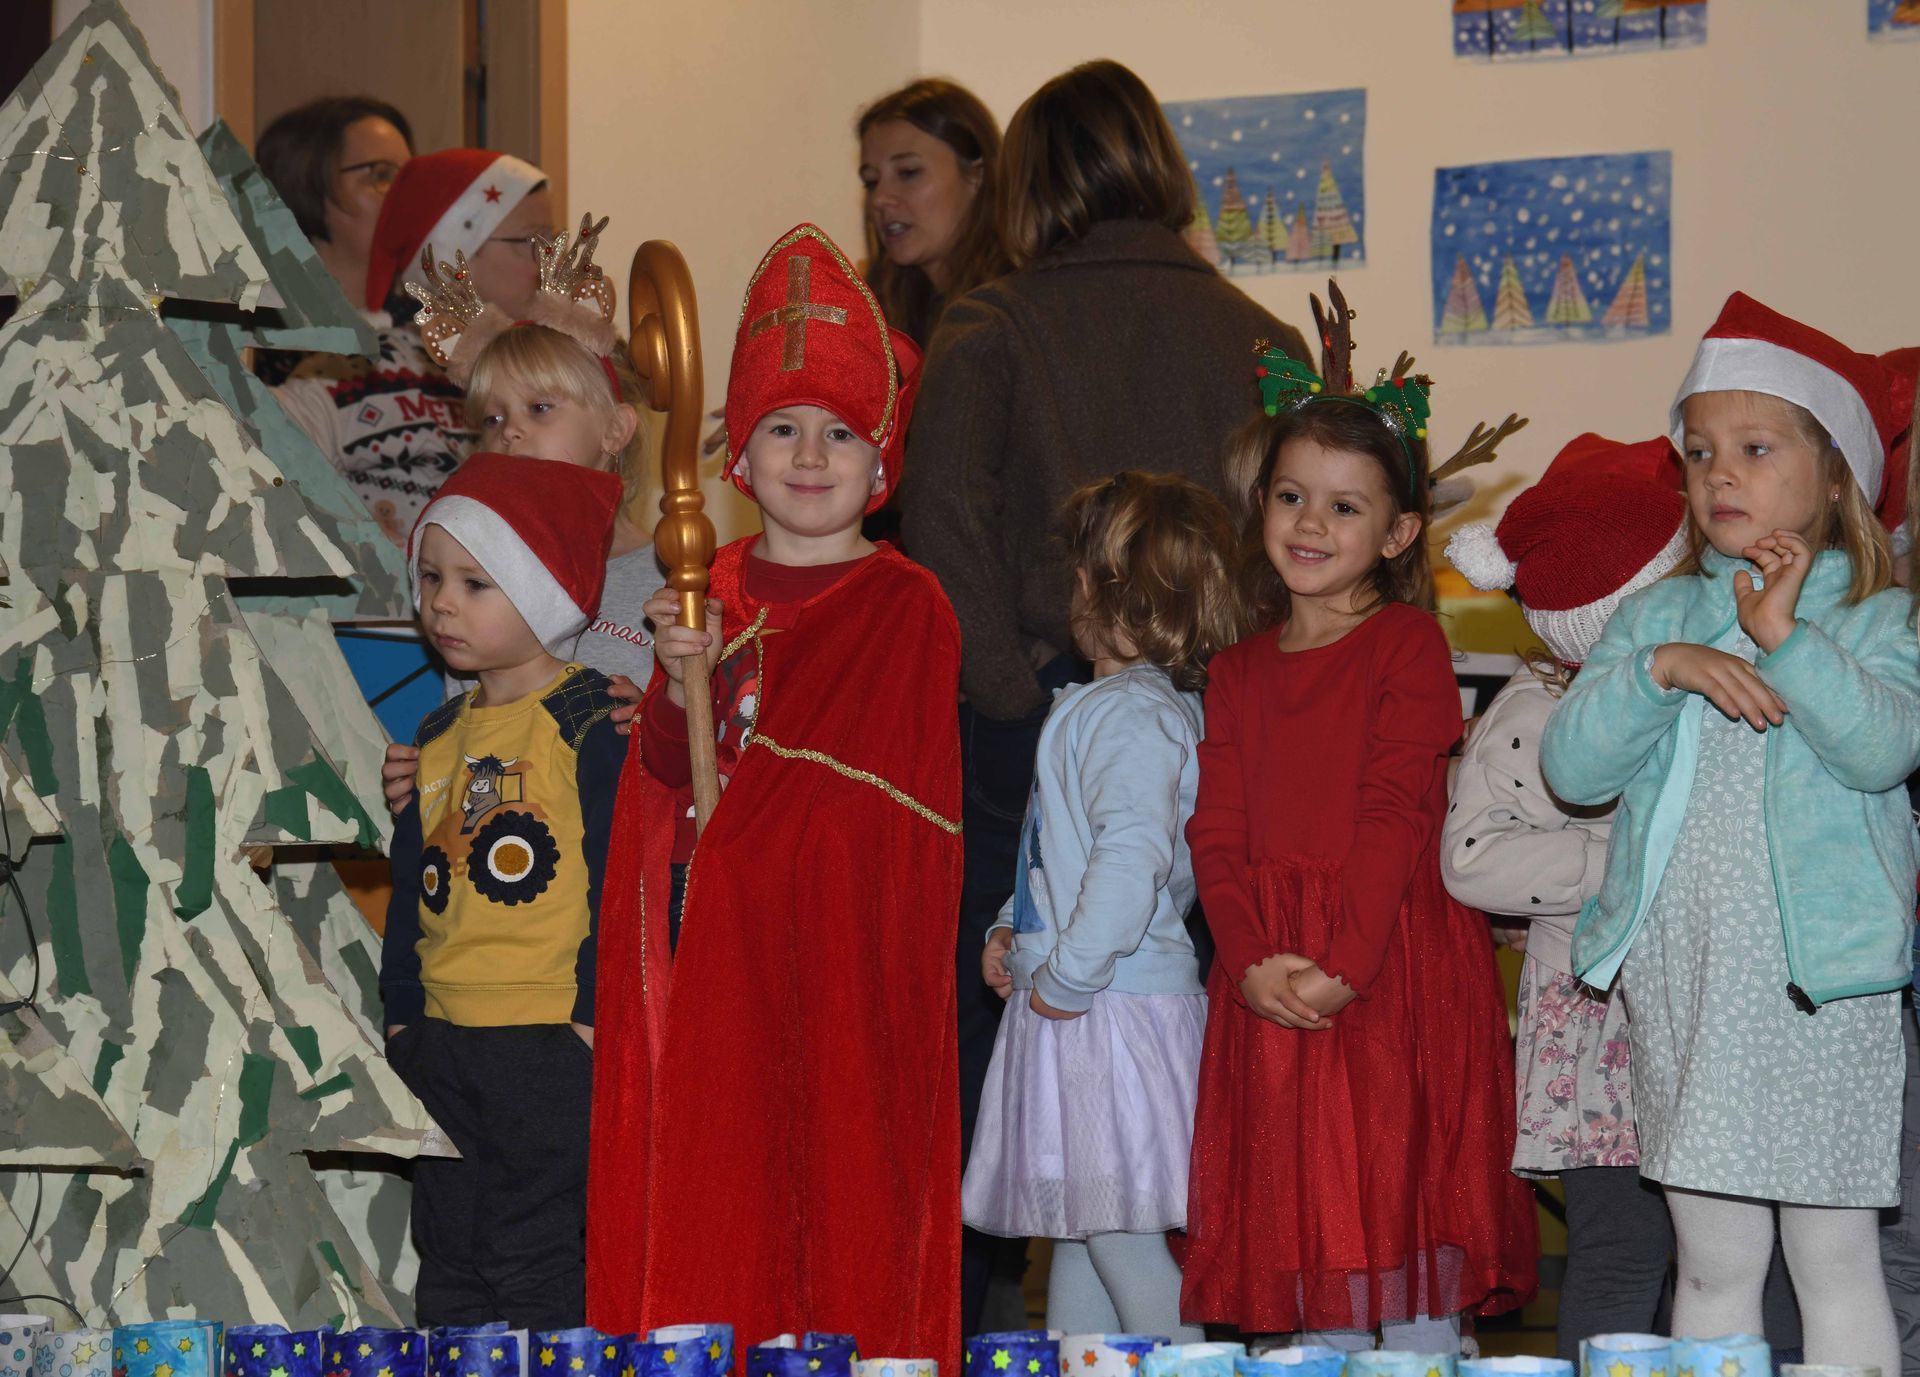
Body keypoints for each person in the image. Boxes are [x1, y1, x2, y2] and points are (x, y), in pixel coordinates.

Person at [895, 58, 1311, 1331]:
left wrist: (1020, 703)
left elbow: (941, 535)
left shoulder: (988, 325)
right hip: (1235, 729)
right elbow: (1296, 558)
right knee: (1193, 1052)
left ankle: (969, 1334)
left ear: (1022, 185)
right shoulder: (1267, 340)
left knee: (1011, 1064)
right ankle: (1236, 1312)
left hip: (1036, 722)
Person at [585, 224, 963, 1369]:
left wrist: (755, 834)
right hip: (711, 943)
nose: (810, 454)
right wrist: (679, 678)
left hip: (832, 957)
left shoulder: (906, 606)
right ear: (739, 455)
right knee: (719, 1186)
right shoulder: (707, 588)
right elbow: (665, 776)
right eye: (782, 427)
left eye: (840, 432)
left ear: (880, 462)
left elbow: (886, 818)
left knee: (831, 1186)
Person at [1540, 293, 1920, 1377]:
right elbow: (1573, 770)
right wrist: (1659, 671)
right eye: (1701, 452)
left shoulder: (1878, 619)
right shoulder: (1656, 618)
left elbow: (1882, 749)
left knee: (1832, 1254)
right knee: (1712, 1260)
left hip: (1824, 996)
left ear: (1836, 474)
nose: (1719, 475)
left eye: (1756, 448)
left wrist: (1786, 639)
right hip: (1692, 989)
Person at [1181, 304, 1538, 1350]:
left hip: (1387, 966)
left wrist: (1341, 962)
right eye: (1292, 495)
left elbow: (1395, 816)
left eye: (1344, 507)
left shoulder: (1405, 646)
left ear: (1397, 534)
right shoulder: (1235, 671)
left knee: (1399, 1211)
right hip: (1270, 971)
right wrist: (1249, 957)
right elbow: (1215, 829)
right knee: (1304, 1235)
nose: (1309, 523)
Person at [962, 472, 1240, 1340]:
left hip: (1108, 1005)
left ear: (1112, 591)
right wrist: (1012, 925)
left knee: (1120, 1238)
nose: (1071, 589)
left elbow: (1129, 861)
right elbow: (1065, 854)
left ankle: (1189, 1364)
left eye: (1081, 574)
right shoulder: (1127, 708)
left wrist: (1067, 974)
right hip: (1094, 993)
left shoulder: (1131, 716)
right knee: (1086, 1230)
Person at [1442, 434, 1691, 1360]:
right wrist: (1625, 859)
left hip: (1691, 1002)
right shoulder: (1536, 709)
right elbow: (1473, 859)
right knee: (1625, 1244)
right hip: (1599, 1022)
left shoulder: (1688, 688)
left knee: (1722, 1247)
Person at [379, 451, 627, 1327]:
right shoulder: (436, 731)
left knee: (536, 1254)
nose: (442, 602)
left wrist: (591, 1018)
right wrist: (402, 1018)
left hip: (548, 1038)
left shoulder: (591, 719)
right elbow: (413, 885)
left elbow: (620, 879)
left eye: (475, 582)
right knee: (449, 1252)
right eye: (432, 577)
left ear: (542, 590)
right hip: (442, 1039)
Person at [374, 215, 656, 809]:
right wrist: (430, 783)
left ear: (614, 429)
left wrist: (657, 725)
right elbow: (472, 745)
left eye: (540, 408)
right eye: (494, 418)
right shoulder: (475, 574)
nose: (511, 433)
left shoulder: (667, 577)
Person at [274, 148, 551, 546]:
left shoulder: (556, 373)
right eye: (529, 241)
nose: (547, 261)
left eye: (552, 241)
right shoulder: (349, 374)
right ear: (453, 258)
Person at [253, 94, 414, 377]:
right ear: (305, 183)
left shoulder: (427, 328)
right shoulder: (255, 337)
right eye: (381, 176)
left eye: (409, 178)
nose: (405, 193)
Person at [857, 77, 1010, 349]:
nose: (879, 199)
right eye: (871, 182)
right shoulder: (879, 310)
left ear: (977, 175)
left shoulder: (1015, 309)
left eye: (908, 173)